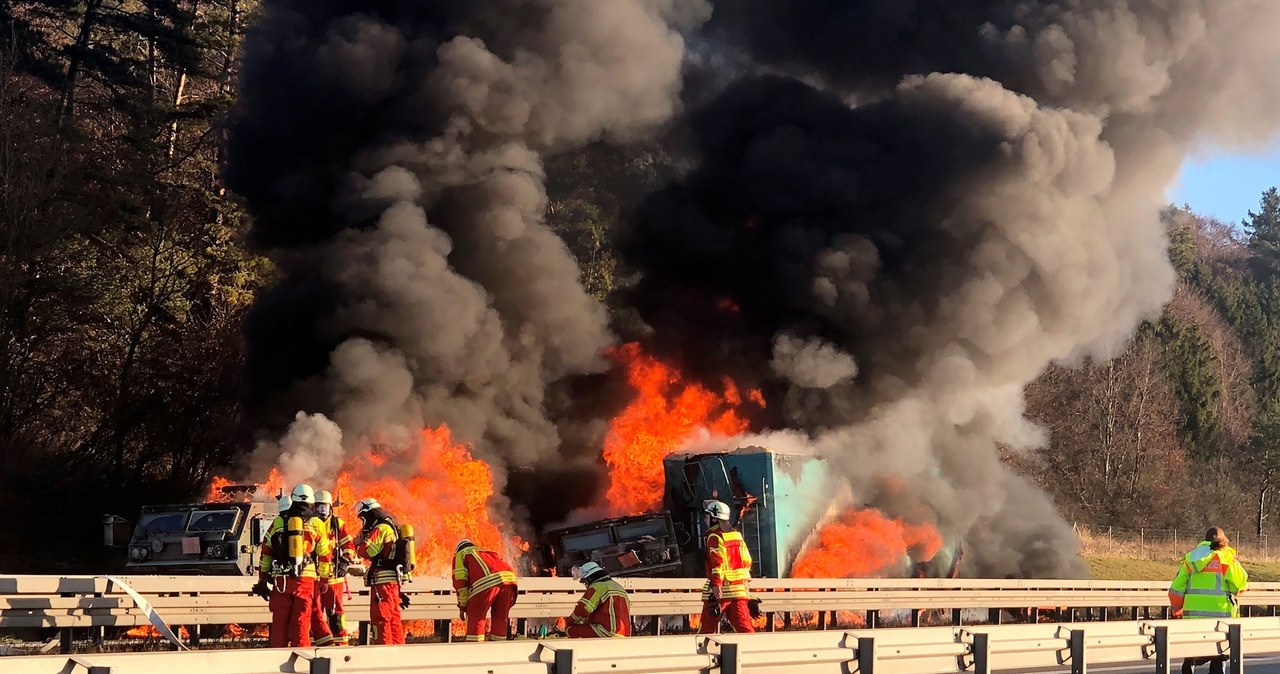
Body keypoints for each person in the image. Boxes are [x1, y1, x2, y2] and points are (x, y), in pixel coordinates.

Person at [253, 484, 332, 647]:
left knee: (279, 622)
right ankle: (301, 660)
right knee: (301, 621)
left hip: (281, 579)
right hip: (305, 580)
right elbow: (325, 554)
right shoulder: (317, 523)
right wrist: (324, 580)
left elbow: (266, 552)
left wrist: (262, 579)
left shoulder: (279, 521)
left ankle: (277, 661)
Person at [1169, 527, 1249, 674]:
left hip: (1193, 620)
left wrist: (1177, 609)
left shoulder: (1191, 559)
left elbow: (1175, 590)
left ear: (1204, 541)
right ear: (1223, 541)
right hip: (1221, 621)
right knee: (1219, 658)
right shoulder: (1225, 559)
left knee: (1192, 653)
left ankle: (1189, 665)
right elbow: (1240, 585)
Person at [354, 497, 407, 645]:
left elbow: (368, 551)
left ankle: (383, 651)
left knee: (380, 618)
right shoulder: (390, 525)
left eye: (363, 518)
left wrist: (357, 545)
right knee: (393, 619)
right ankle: (397, 651)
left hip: (382, 582)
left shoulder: (381, 528)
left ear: (369, 514)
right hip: (391, 582)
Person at [698, 500, 755, 634]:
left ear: (714, 518)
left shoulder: (714, 537)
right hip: (738, 590)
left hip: (721, 591)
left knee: (705, 631)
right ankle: (754, 652)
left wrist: (716, 585)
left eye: (707, 517)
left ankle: (700, 654)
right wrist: (746, 588)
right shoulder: (737, 536)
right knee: (744, 629)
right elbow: (747, 561)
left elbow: (717, 563)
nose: (705, 520)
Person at [453, 538, 519, 642]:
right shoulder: (486, 552)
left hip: (487, 582)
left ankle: (475, 648)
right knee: (500, 617)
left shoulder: (461, 554)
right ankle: (498, 649)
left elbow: (460, 583)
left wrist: (463, 606)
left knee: (476, 616)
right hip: (510, 581)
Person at [312, 489, 355, 646]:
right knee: (314, 614)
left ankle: (341, 646)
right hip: (314, 577)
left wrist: (345, 561)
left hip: (334, 577)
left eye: (325, 507)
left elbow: (349, 546)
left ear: (331, 508)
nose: (323, 511)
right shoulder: (310, 524)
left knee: (335, 615)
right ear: (313, 507)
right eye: (319, 507)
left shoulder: (338, 525)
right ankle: (317, 646)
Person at [566, 561, 630, 638]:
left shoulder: (597, 586)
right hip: (624, 634)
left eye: (584, 581)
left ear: (589, 578)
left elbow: (582, 609)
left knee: (571, 630)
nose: (585, 585)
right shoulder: (618, 587)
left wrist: (568, 622)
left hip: (607, 632)